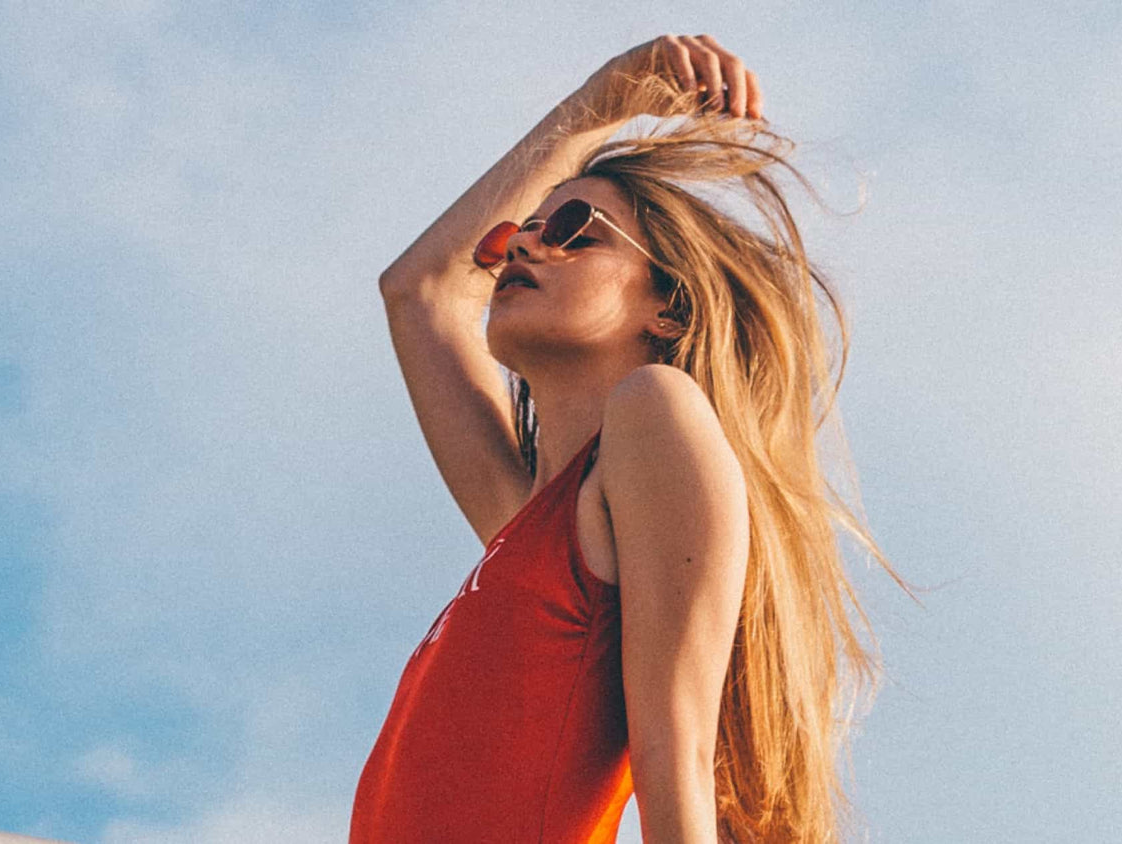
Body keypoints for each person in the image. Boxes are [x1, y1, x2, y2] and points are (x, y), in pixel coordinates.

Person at [351, 34, 912, 844]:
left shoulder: (657, 410)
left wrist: (601, 111)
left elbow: (675, 754)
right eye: (522, 231)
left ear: (670, 309)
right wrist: (596, 104)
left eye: (578, 227)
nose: (528, 242)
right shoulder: (530, 521)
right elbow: (420, 291)